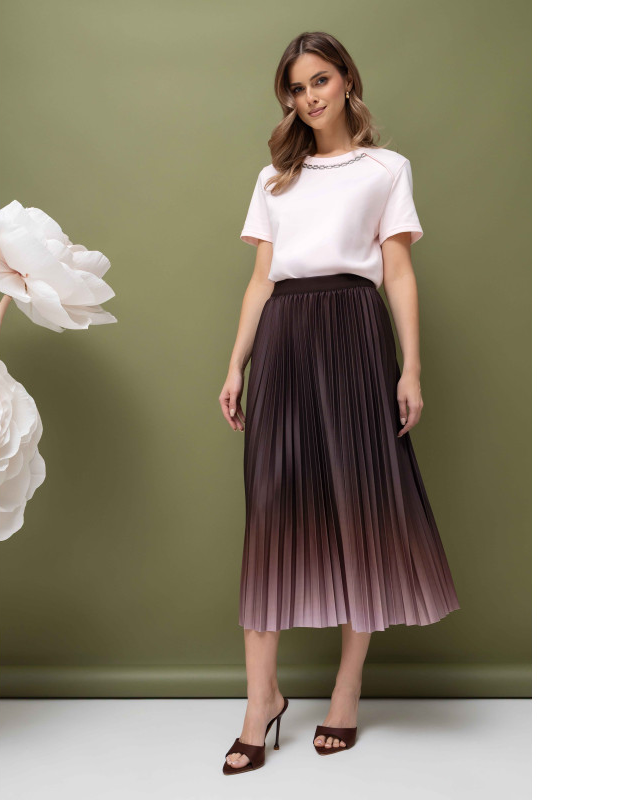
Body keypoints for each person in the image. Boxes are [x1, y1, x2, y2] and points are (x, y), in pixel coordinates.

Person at [218, 31, 461, 775]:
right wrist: (235, 365)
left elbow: (399, 272)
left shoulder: (386, 169)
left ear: (347, 79)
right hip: (285, 337)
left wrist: (411, 368)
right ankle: (261, 700)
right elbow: (262, 280)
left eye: (319, 80)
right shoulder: (274, 178)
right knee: (271, 512)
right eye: (296, 88)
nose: (309, 97)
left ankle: (346, 691)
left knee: (361, 508)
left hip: (356, 333)